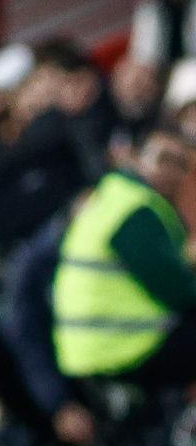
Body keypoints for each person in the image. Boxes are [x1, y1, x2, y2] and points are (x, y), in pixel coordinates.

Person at [53, 125, 196, 413]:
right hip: (122, 346)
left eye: (181, 164)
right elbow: (179, 292)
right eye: (163, 159)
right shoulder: (137, 210)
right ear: (138, 158)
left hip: (89, 345)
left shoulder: (113, 194)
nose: (171, 171)